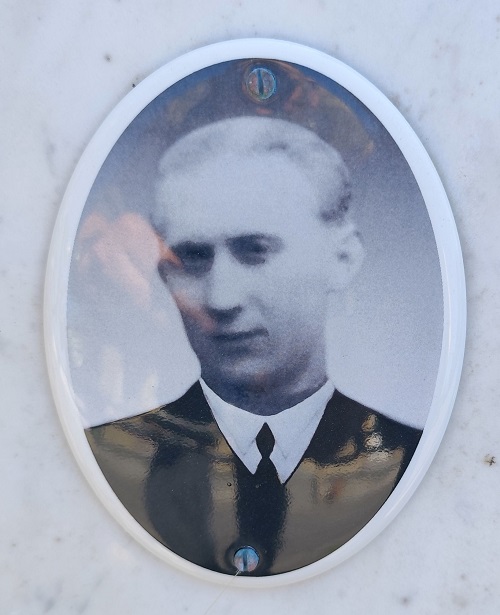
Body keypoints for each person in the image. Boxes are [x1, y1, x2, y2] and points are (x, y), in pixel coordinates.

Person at [85, 117, 422, 576]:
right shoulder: (107, 457)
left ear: (342, 259)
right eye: (193, 258)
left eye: (255, 251)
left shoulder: (413, 462)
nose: (221, 298)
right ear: (165, 275)